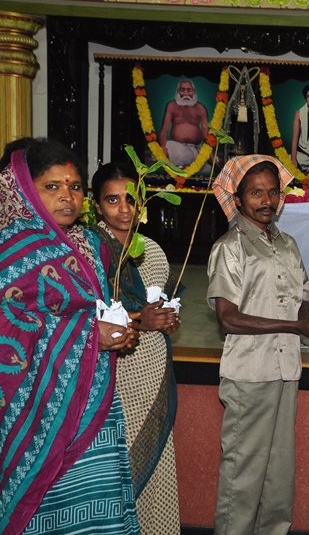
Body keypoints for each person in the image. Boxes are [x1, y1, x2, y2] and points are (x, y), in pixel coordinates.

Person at [0, 139, 139, 534]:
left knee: (96, 504)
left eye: (75, 187)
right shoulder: (11, 248)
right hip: (36, 411)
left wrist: (118, 332)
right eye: (52, 186)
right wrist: (91, 334)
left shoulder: (92, 246)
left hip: (92, 404)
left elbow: (99, 311)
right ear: (26, 188)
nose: (67, 196)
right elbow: (8, 322)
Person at [208, 154, 309, 535]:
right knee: (243, 473)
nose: (266, 201)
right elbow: (227, 318)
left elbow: (301, 296)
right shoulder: (230, 247)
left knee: (279, 471)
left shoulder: (286, 243)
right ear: (237, 199)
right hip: (249, 373)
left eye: (272, 192)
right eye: (255, 193)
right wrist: (295, 326)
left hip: (285, 370)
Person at [90, 162, 182, 535]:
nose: (124, 209)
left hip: (151, 369)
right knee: (117, 464)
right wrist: (139, 320)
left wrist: (166, 319)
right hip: (114, 374)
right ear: (96, 206)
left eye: (132, 199)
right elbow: (88, 316)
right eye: (112, 200)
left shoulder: (155, 252)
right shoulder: (89, 250)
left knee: (156, 463)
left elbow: (154, 309)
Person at [158, 78, 209, 167]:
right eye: (182, 90)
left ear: (194, 92)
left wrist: (205, 151)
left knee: (205, 166)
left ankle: (185, 164)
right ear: (178, 92)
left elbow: (206, 133)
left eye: (189, 90)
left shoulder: (201, 108)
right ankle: (184, 164)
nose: (186, 94)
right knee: (168, 145)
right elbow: (164, 131)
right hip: (176, 147)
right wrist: (163, 147)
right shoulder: (171, 106)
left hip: (195, 149)